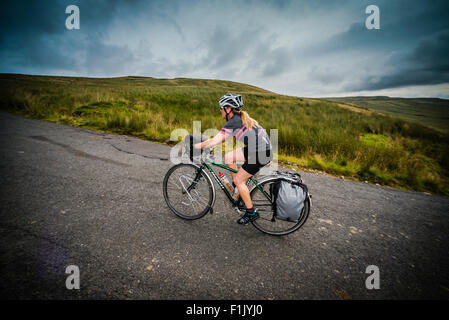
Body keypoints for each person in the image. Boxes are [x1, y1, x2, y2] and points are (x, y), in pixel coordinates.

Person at [194, 93, 273, 224]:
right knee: (229, 157)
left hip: (260, 153)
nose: (220, 110)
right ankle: (237, 190)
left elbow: (215, 140)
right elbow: (222, 138)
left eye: (221, 107)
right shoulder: (238, 119)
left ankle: (250, 212)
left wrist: (195, 146)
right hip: (259, 149)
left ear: (228, 109)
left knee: (239, 180)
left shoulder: (233, 121)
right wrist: (208, 144)